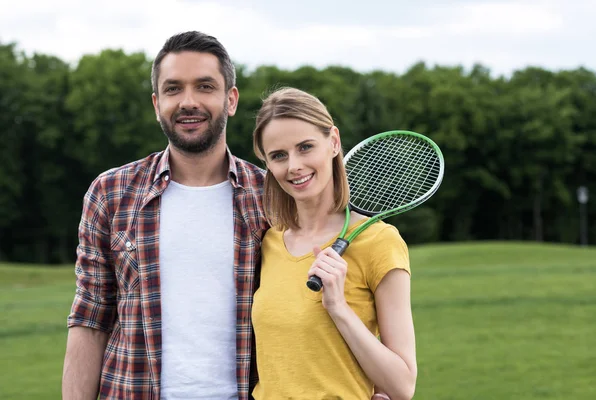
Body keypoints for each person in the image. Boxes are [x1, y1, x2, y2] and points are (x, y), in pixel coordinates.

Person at [62, 31, 268, 399]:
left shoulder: (270, 197)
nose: (188, 102)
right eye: (173, 89)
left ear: (231, 99)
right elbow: (90, 320)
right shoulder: (111, 192)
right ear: (157, 103)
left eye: (205, 86)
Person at [251, 87, 418, 399]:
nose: (294, 166)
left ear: (334, 143)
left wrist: (338, 307)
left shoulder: (380, 242)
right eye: (278, 156)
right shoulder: (268, 242)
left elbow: (403, 385)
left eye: (305, 147)